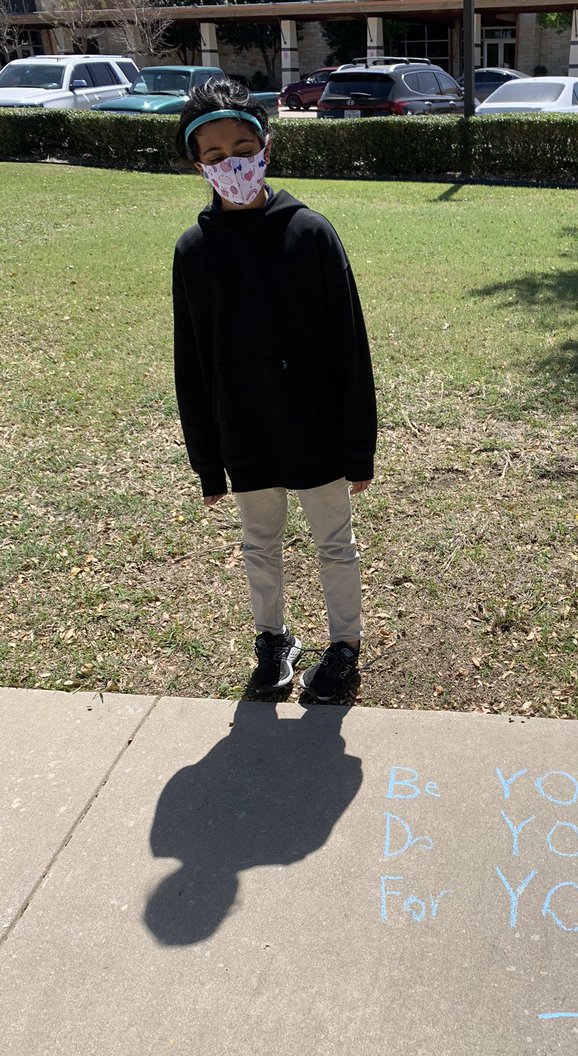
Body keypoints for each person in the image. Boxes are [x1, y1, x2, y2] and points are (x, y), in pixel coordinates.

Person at [172, 79, 377, 701]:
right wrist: (207, 460)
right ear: (196, 165)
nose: (230, 163)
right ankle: (273, 640)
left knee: (334, 546)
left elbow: (350, 346)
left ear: (266, 146)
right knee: (259, 546)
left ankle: (344, 647)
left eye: (242, 146)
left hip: (315, 430)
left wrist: (358, 446)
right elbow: (193, 362)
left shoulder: (310, 233)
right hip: (246, 431)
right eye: (213, 156)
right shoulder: (194, 251)